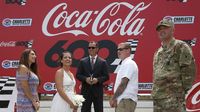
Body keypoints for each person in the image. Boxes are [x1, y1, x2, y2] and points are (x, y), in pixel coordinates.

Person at [152, 18, 196, 112]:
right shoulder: (158, 52)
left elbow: (189, 70)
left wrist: (179, 91)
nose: (161, 31)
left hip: (174, 100)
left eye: (165, 28)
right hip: (158, 100)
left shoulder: (180, 46)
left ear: (172, 30)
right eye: (159, 29)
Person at [76, 41, 109, 112]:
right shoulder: (82, 61)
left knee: (99, 110)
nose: (90, 49)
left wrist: (97, 80)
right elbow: (78, 75)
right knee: (85, 110)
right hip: (85, 91)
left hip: (98, 92)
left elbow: (106, 76)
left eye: (93, 47)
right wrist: (85, 79)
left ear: (97, 49)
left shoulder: (103, 62)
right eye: (89, 47)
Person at [109, 42, 138, 112]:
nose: (118, 51)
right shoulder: (125, 63)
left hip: (126, 100)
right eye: (117, 50)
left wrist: (113, 98)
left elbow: (123, 83)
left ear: (128, 50)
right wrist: (116, 98)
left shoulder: (129, 63)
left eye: (121, 49)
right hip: (123, 100)